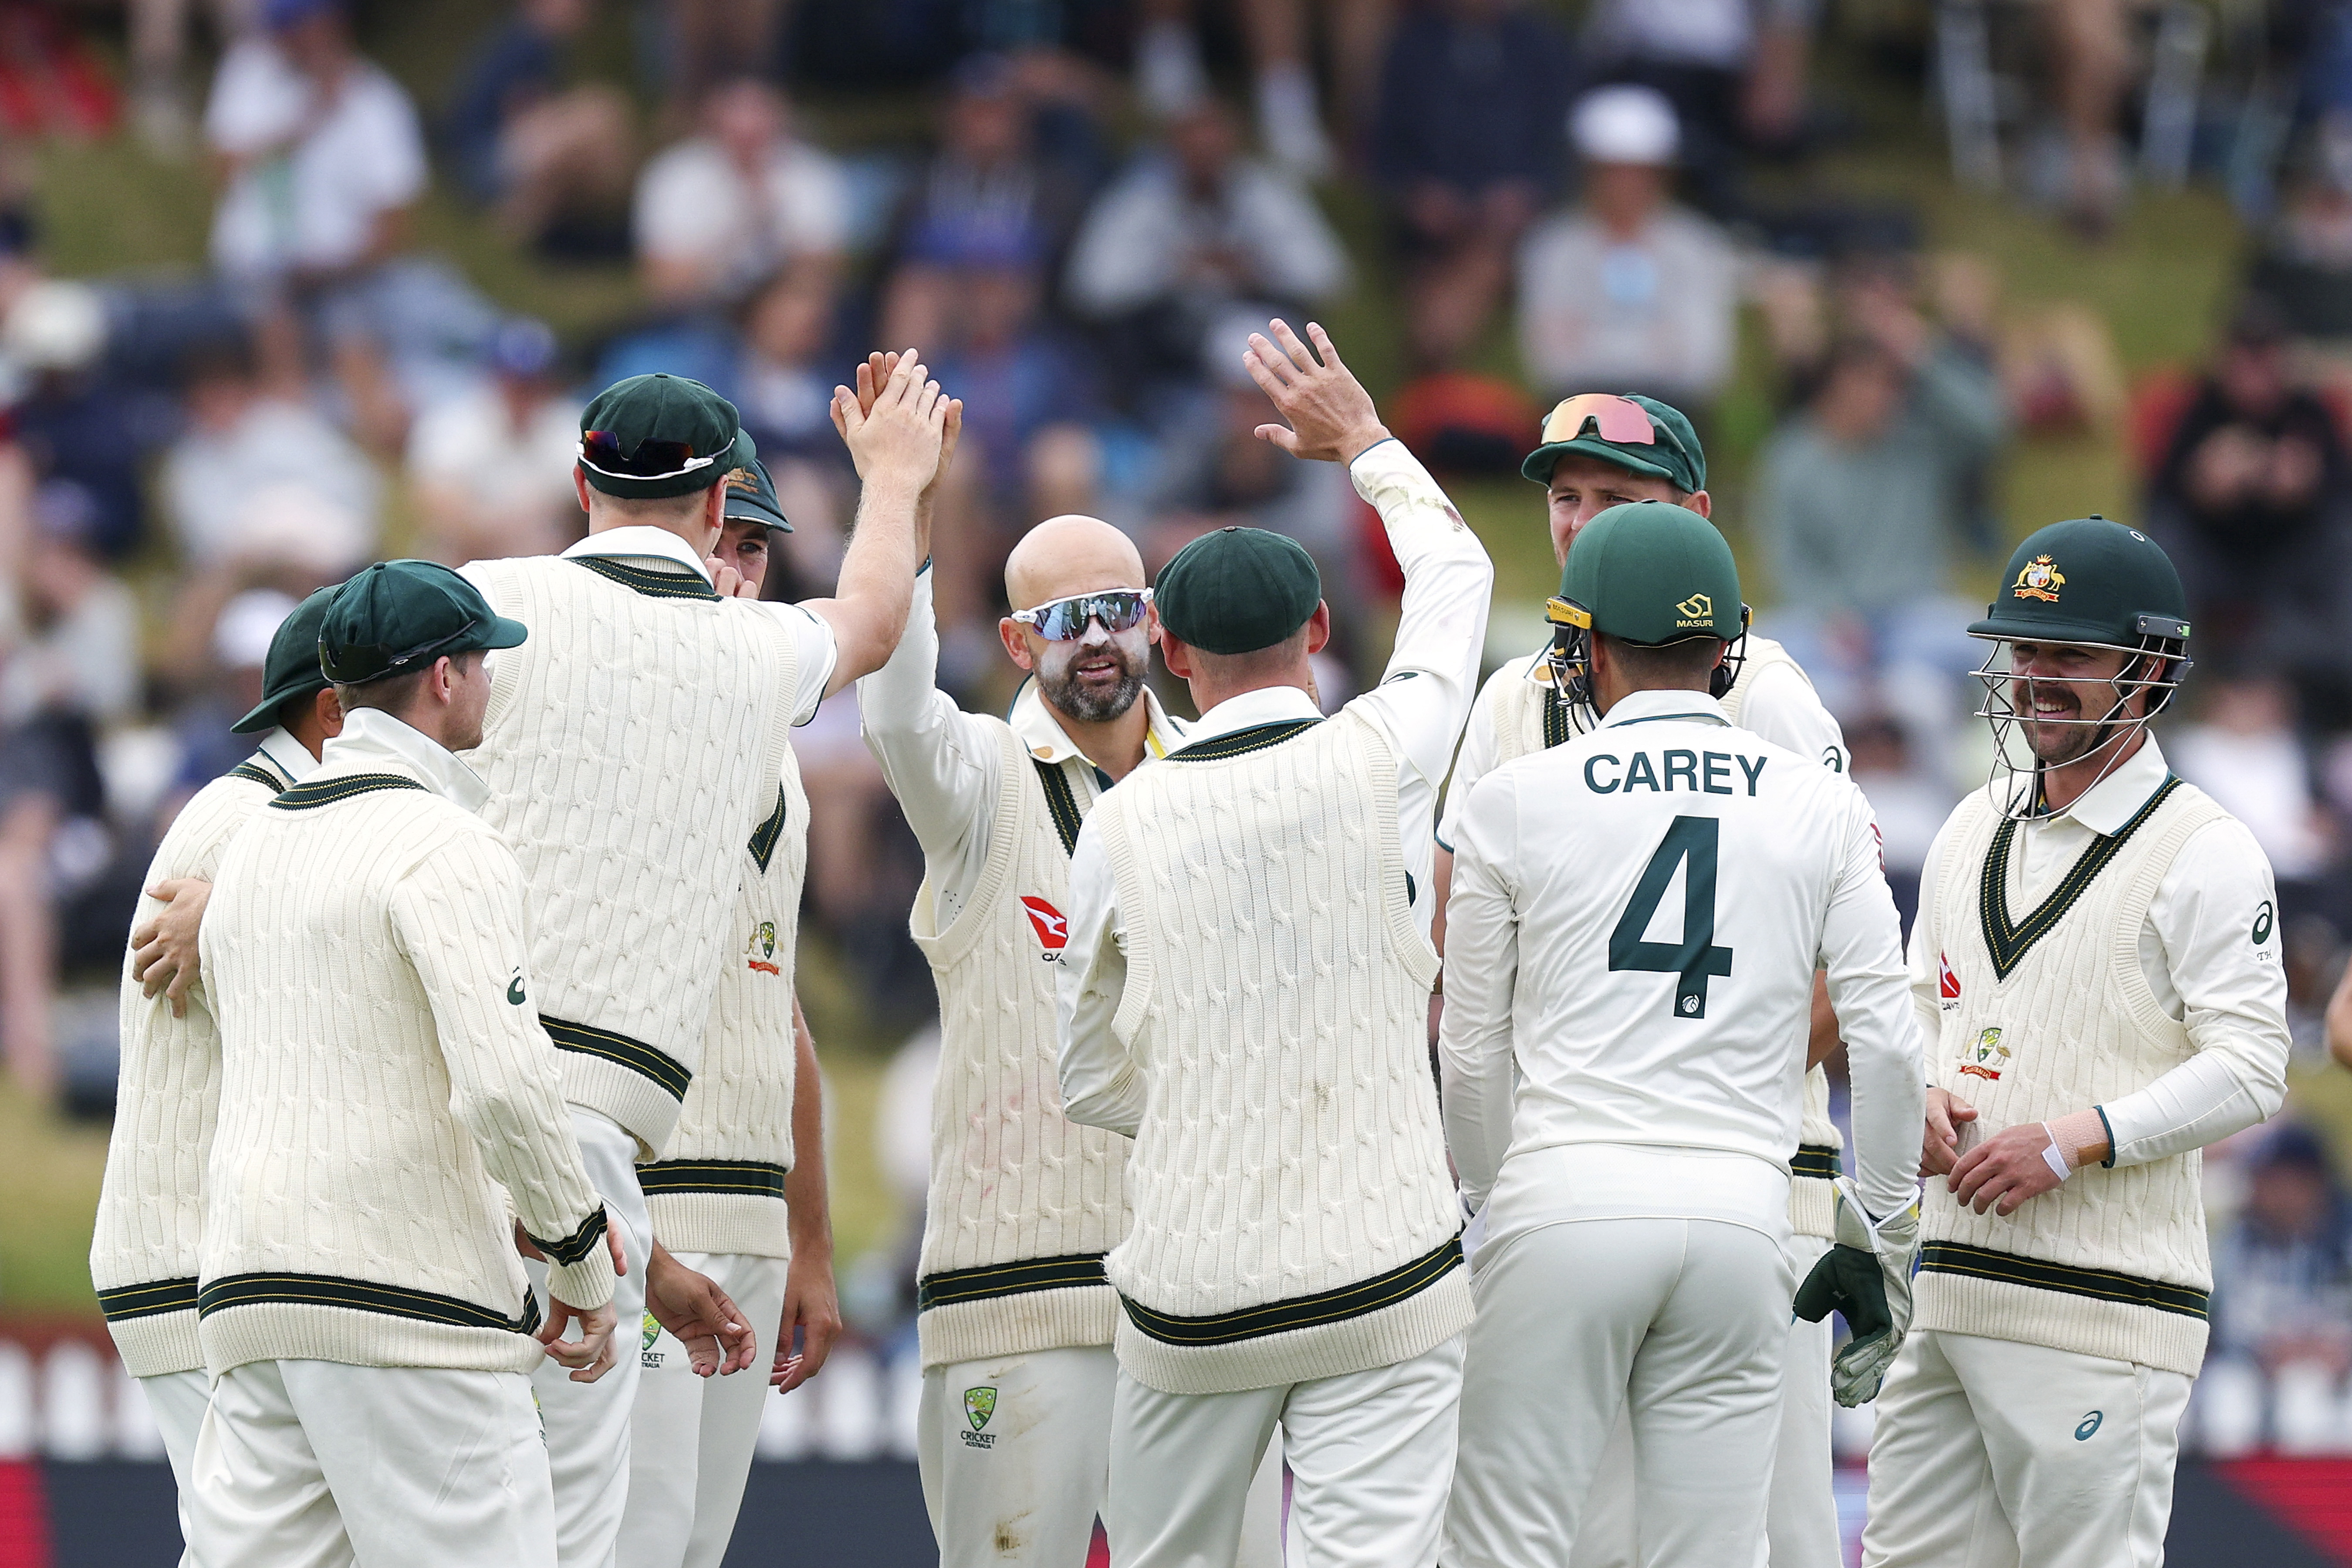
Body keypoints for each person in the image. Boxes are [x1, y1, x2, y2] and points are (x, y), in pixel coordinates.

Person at [454, 362, 943, 1567]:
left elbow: (336, 732)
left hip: (495, 1130)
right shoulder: (742, 658)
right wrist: (894, 476)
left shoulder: (478, 602)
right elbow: (876, 618)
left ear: (579, 484)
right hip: (606, 1166)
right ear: (724, 508)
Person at [1057, 320, 1493, 1567]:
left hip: (1194, 1292)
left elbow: (1087, 1075)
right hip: (1386, 1277)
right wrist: (1363, 440)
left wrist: (1209, 1099)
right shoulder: (1384, 751)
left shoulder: (1121, 820)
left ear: (1171, 658)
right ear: (1317, 633)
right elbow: (1457, 580)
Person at [1437, 501, 1925, 1567]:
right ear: (1724, 648)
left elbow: (1469, 1053)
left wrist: (1488, 1201)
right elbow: (1886, 1039)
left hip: (1561, 1195)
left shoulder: (1515, 796)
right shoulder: (1823, 804)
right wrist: (1878, 1233)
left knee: (1506, 1547)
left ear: (1588, 645)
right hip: (1744, 1214)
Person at [1864, 517, 2293, 1568]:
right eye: (2023, 650)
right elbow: (1919, 1003)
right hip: (1951, 1287)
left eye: (2070, 655)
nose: (2035, 679)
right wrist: (1914, 1089)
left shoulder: (2206, 849)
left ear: (2147, 671)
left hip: (2103, 1311)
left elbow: (2251, 1065)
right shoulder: (1970, 822)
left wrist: (2075, 1139)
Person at [183, 560, 621, 1568]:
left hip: (253, 1291)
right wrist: (580, 1254)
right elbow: (507, 1082)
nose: (492, 682)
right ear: (443, 679)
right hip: (407, 1303)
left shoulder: (252, 850)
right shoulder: (444, 842)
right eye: (483, 661)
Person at [856, 386, 1199, 1565]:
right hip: (1015, 1292)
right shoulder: (982, 781)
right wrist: (899, 500)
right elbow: (898, 716)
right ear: (1016, 643)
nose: (1095, 638)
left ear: (1155, 625)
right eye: (1063, 619)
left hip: (1197, 1295)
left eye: (1115, 610)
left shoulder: (1213, 781)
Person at [618, 459, 843, 1568]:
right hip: (647, 1206)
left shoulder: (781, 749)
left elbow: (780, 1001)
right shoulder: (616, 707)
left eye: (755, 550)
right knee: (628, 1545)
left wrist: (808, 1236)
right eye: (723, 542)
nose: (734, 570)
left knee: (694, 1550)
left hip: (751, 1209)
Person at [88, 586, 341, 1548]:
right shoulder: (242, 825)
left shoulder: (273, 820)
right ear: (333, 711)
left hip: (213, 1259)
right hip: (195, 1263)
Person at [1370, 0, 1573, 372]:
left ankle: (1433, 363)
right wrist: (1417, 194)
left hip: (1512, 223)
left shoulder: (1542, 46)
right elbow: (1384, 144)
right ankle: (1442, 378)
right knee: (1439, 267)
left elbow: (1558, 145)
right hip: (1430, 225)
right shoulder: (1413, 44)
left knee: (1485, 260)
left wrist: (1526, 195)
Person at [1516, 86, 1737, 411]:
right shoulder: (1553, 247)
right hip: (1577, 414)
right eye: (1612, 171)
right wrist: (1654, 346)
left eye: (1639, 172)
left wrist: (1593, 342)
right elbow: (1550, 363)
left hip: (1672, 415)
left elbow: (1704, 362)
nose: (1625, 185)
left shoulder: (1697, 246)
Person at [633, 78, 848, 311]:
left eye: (759, 111)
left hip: (784, 311)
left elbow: (823, 273)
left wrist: (769, 219)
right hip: (698, 314)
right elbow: (665, 284)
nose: (748, 126)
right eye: (736, 110)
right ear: (713, 115)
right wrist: (735, 231)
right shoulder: (673, 174)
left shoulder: (813, 172)